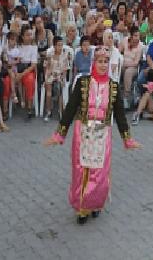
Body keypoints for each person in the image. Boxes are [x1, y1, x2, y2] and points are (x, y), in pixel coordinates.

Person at [44, 46, 141, 225]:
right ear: (93, 63)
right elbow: (71, 108)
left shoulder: (113, 86)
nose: (103, 65)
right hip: (82, 132)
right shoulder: (83, 83)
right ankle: (82, 207)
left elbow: (119, 114)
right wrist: (60, 134)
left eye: (106, 62)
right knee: (81, 171)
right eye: (100, 61)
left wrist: (127, 138)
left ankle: (96, 204)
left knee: (99, 172)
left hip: (103, 134)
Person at [43, 36, 69, 121]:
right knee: (49, 93)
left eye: (61, 45)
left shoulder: (64, 55)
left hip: (59, 74)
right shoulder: (49, 55)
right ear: (54, 46)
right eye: (58, 45)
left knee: (60, 90)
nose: (60, 47)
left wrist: (63, 79)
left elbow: (65, 69)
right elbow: (45, 67)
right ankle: (48, 111)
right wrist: (45, 78)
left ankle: (60, 110)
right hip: (50, 74)